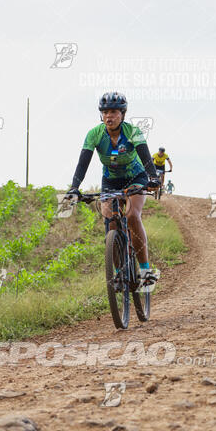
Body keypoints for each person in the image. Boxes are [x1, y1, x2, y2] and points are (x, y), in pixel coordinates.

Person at [66, 91, 160, 285]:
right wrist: (74, 187)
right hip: (110, 181)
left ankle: (145, 270)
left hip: (136, 178)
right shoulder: (94, 134)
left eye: (114, 112)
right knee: (110, 224)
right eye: (105, 112)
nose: (109, 116)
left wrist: (152, 177)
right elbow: (83, 163)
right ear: (101, 115)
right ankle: (117, 273)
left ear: (123, 114)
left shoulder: (133, 132)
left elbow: (145, 156)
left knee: (132, 217)